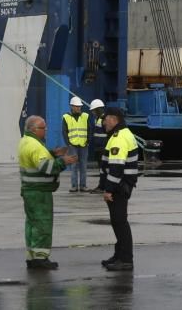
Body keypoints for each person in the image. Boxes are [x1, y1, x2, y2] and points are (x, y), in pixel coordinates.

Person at [18, 115, 76, 270]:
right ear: (34, 129)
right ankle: (40, 258)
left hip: (30, 191)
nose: (46, 131)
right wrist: (63, 161)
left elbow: (37, 160)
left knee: (32, 224)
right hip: (39, 193)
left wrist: (52, 153)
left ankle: (32, 256)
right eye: (44, 128)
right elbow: (47, 168)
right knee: (42, 225)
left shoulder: (26, 141)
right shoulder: (35, 146)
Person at [99, 107, 140, 271]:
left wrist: (108, 189)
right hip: (122, 185)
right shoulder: (123, 134)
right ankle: (119, 255)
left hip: (119, 187)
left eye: (106, 119)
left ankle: (126, 259)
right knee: (118, 222)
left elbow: (116, 167)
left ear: (114, 119)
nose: (103, 122)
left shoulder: (118, 137)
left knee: (120, 222)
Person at [62, 96, 90, 192]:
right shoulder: (66, 117)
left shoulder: (85, 116)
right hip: (72, 145)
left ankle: (83, 186)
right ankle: (74, 186)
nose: (78, 108)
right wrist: (68, 143)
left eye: (79, 106)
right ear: (71, 106)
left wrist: (88, 141)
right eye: (76, 106)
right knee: (74, 166)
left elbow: (90, 129)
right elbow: (64, 132)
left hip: (83, 145)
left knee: (83, 166)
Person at [88, 98, 107, 192]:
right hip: (99, 148)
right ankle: (102, 185)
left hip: (103, 148)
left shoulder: (104, 120)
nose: (93, 113)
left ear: (98, 109)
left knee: (103, 168)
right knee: (101, 168)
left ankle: (102, 186)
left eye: (94, 111)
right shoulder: (98, 119)